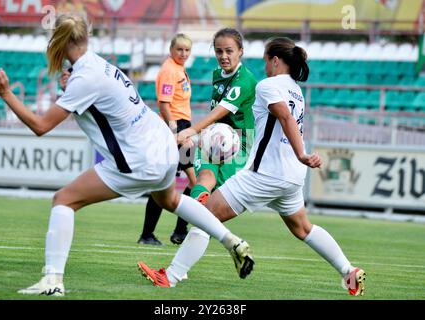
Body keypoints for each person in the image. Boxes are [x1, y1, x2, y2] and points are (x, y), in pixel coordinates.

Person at [0, 14, 254, 296]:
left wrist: (6, 93)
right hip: (162, 144)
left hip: (139, 158)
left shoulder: (84, 77)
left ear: (61, 41)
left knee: (63, 200)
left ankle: (53, 280)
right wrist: (69, 88)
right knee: (171, 200)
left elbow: (40, 126)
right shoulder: (98, 64)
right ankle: (231, 241)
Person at [138, 37, 366, 296]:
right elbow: (287, 120)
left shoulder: (269, 85)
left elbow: (285, 117)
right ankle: (349, 271)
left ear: (275, 60)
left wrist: (302, 153)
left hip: (265, 174)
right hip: (291, 177)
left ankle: (171, 276)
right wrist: (300, 157)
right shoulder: (296, 90)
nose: (264, 65)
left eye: (266, 60)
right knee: (303, 228)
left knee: (205, 217)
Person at [176, 28, 257, 208]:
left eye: (229, 51)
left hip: (239, 144)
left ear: (240, 51)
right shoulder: (217, 74)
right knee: (204, 179)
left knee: (216, 199)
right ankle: (189, 223)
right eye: (219, 51)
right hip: (213, 138)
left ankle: (193, 222)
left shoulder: (245, 80)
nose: (223, 56)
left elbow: (219, 111)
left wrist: (190, 131)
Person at [137, 33, 196, 246]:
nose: (183, 53)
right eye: (179, 49)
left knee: (167, 182)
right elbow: (164, 104)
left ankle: (154, 233)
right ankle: (179, 231)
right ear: (171, 50)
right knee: (194, 179)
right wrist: (173, 130)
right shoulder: (170, 70)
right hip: (176, 126)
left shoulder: (178, 69)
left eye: (187, 50)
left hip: (182, 126)